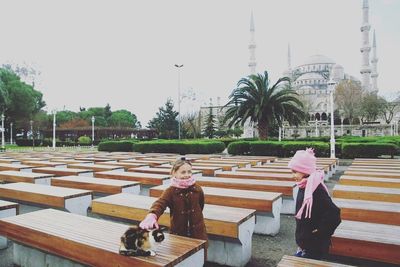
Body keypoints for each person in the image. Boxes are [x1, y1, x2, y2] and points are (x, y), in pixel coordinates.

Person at [288, 148, 341, 260]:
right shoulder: (304, 185)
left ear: (306, 171)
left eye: (295, 172)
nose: (292, 175)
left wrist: (320, 231)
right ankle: (302, 250)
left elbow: (334, 213)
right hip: (306, 241)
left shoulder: (316, 189)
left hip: (315, 244)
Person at [139, 158, 208, 241]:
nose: (187, 175)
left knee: (199, 253)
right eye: (183, 172)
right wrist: (152, 215)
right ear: (174, 173)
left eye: (189, 172)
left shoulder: (197, 189)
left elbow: (201, 205)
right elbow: (160, 203)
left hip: (198, 233)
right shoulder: (171, 191)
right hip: (178, 233)